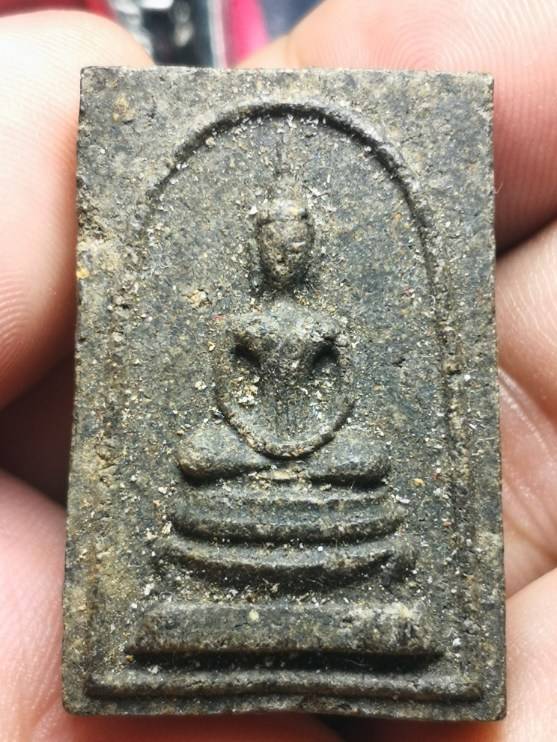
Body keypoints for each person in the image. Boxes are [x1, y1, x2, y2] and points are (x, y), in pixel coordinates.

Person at [0, 1, 555, 740]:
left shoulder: (325, 324)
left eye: (295, 246)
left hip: (319, 445)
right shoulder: (241, 323)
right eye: (274, 245)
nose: (283, 256)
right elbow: (228, 396)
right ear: (259, 248)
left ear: (308, 250)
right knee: (200, 456)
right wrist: (261, 441)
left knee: (366, 457)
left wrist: (308, 443)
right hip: (247, 443)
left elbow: (342, 398)